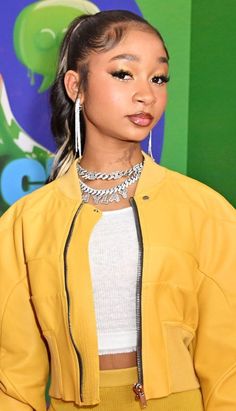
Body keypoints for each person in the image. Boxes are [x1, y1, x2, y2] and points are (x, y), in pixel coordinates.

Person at [0, 9, 235, 411]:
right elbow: (14, 381)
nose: (147, 94)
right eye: (123, 74)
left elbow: (228, 366)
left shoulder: (206, 211)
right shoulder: (25, 223)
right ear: (76, 85)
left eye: (158, 78)